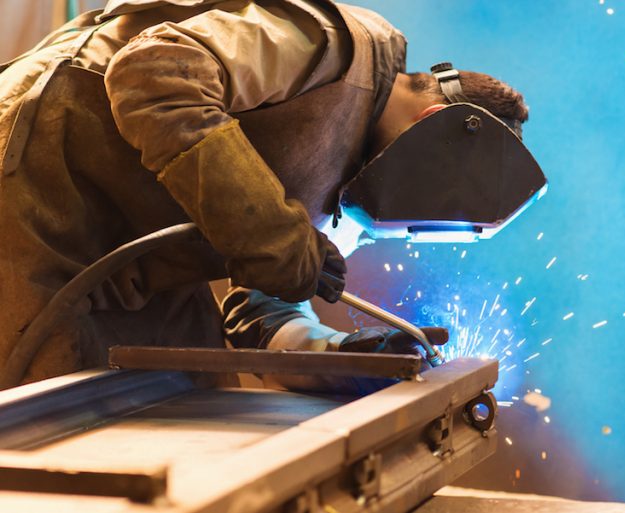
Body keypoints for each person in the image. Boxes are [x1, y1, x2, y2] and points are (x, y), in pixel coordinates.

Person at [0, 0, 529, 387]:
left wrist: (347, 354)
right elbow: (153, 74)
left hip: (130, 265)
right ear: (433, 125)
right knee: (46, 413)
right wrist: (271, 234)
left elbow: (265, 309)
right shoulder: (333, 45)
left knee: (191, 399)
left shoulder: (349, 192)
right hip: (38, 184)